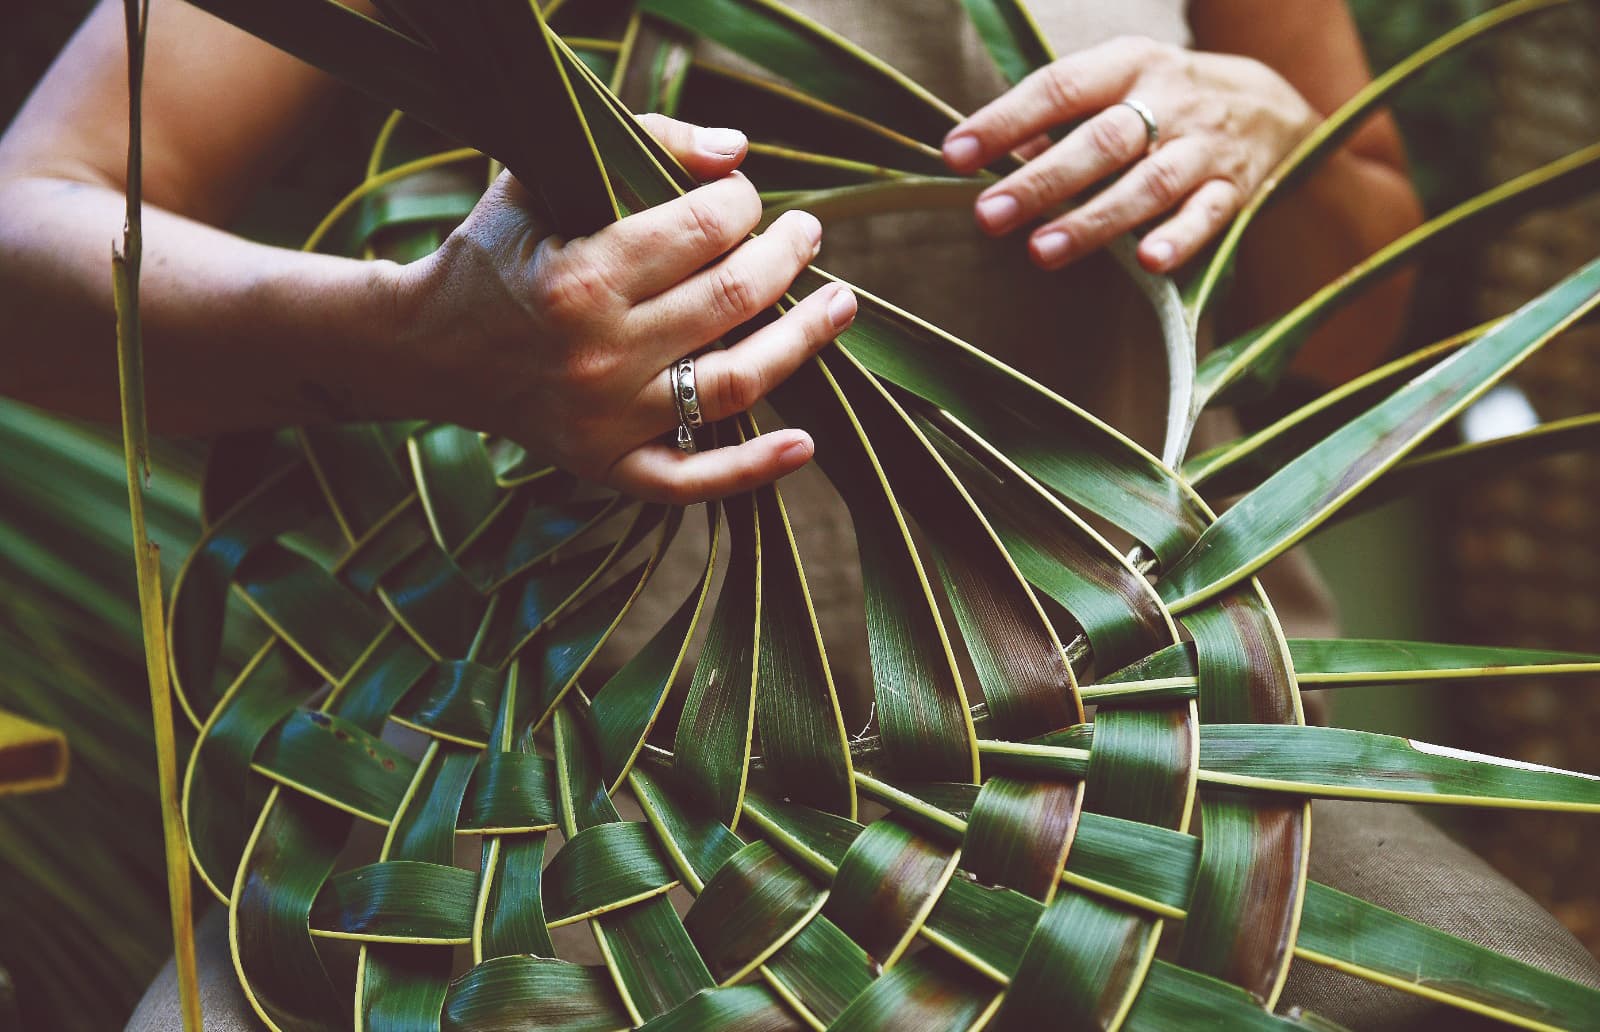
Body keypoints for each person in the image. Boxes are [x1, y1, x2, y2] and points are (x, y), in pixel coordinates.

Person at [1, 2, 1595, 1030]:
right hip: (562, 797)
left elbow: (1352, 320)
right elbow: (32, 234)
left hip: (1151, 761)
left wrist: (1264, 130)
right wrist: (414, 337)